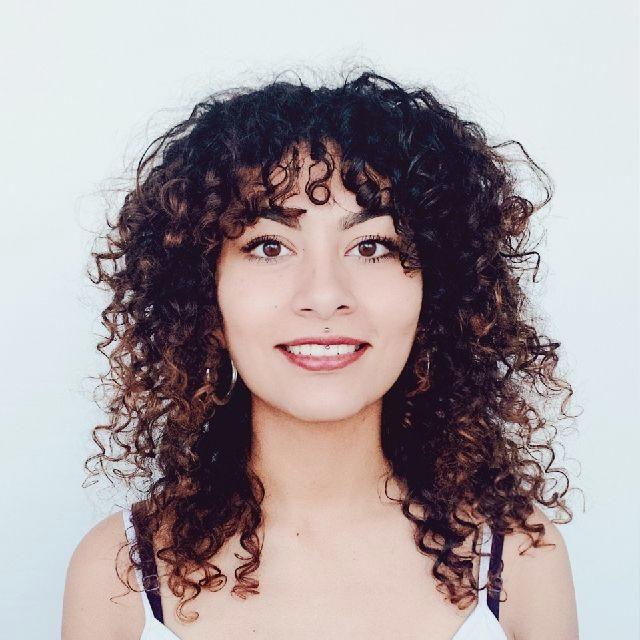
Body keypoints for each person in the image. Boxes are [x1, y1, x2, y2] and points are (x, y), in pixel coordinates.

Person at [62, 69, 580, 639]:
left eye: (372, 245)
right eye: (269, 246)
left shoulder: (518, 556)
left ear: (436, 292)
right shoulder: (120, 573)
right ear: (201, 296)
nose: (325, 294)